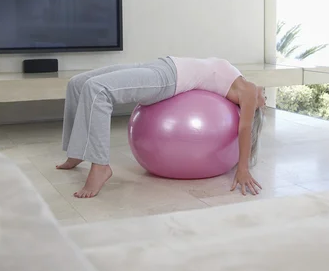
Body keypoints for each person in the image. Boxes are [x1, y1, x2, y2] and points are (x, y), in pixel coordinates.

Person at [57, 56, 266, 198]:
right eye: (264, 96)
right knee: (77, 82)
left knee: (97, 89)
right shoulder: (242, 79)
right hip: (161, 64)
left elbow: (244, 128)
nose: (264, 97)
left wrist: (243, 168)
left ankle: (100, 166)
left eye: (263, 102)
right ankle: (77, 151)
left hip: (169, 79)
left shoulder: (247, 92)